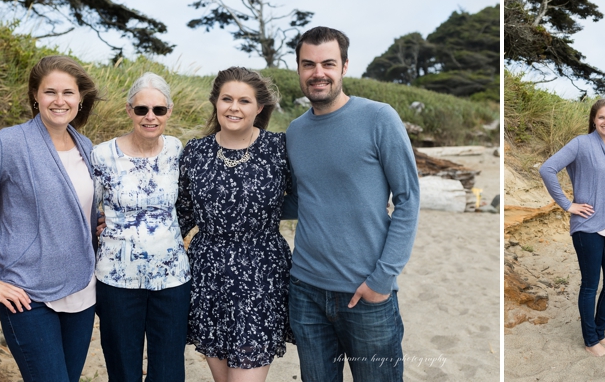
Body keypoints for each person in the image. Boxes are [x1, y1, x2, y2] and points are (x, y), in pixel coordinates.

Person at [0, 55, 100, 382]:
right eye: (50, 92)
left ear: (80, 98)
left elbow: (76, 213)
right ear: (35, 96)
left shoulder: (87, 147)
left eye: (68, 92)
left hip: (83, 294)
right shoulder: (9, 143)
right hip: (27, 297)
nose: (59, 100)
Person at [282, 27, 419, 380]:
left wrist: (382, 280)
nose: (318, 73)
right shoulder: (294, 131)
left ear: (344, 66)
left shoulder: (379, 117)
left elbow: (408, 200)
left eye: (328, 63)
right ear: (298, 69)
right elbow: (301, 199)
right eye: (308, 64)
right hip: (305, 291)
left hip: (366, 292)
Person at [176, 66, 292, 381]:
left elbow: (312, 196)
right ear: (216, 102)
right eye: (227, 99)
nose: (234, 107)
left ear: (260, 107)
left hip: (262, 276)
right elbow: (181, 213)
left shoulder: (278, 148)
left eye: (244, 101)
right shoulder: (196, 152)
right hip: (208, 276)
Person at [92, 72, 190, 381]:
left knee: (169, 373)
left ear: (169, 111)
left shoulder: (177, 150)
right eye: (141, 109)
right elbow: (83, 210)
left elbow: (188, 204)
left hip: (172, 280)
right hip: (117, 281)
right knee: (123, 371)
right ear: (129, 110)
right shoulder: (102, 155)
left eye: (158, 110)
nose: (150, 116)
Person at [540, 98, 605, 357]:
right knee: (590, 284)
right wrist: (568, 205)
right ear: (594, 119)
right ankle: (591, 341)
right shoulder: (581, 143)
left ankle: (599, 331)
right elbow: (547, 169)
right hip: (588, 226)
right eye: (601, 117)